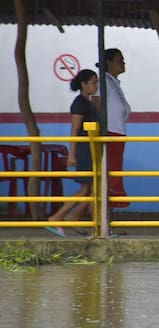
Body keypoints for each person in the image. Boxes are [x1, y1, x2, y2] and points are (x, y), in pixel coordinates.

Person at [46, 69, 100, 237]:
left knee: (91, 189)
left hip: (91, 149)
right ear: (83, 84)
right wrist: (72, 154)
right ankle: (58, 217)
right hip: (84, 150)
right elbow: (75, 129)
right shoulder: (79, 103)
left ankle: (72, 217)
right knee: (86, 189)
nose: (96, 86)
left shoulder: (89, 102)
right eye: (93, 82)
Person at [94, 48, 130, 208]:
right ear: (108, 63)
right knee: (111, 173)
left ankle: (108, 214)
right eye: (119, 60)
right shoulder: (103, 82)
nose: (123, 63)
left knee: (114, 172)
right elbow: (96, 103)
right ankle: (103, 214)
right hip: (109, 133)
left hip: (117, 133)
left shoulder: (113, 83)